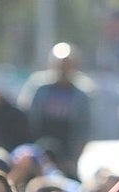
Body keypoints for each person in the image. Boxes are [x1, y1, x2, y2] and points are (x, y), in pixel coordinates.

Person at [19, 44, 93, 175]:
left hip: (67, 156)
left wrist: (73, 158)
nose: (63, 70)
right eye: (60, 65)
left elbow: (84, 128)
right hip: (39, 151)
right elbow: (27, 119)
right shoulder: (39, 88)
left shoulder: (81, 95)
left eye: (68, 65)